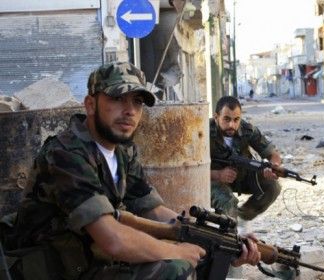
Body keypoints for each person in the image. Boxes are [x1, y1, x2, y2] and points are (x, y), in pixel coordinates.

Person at [9, 62, 260, 280]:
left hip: (89, 257)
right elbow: (113, 239)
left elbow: (154, 210)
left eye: (137, 102)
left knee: (198, 257)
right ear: (90, 104)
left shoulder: (122, 151)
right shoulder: (66, 154)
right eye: (117, 98)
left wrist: (219, 241)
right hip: (53, 268)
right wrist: (176, 250)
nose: (129, 111)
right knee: (176, 268)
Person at [210, 96, 282, 222]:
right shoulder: (203, 132)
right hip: (212, 180)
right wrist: (218, 174)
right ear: (216, 117)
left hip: (240, 177)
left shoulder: (247, 130)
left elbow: (273, 154)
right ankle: (232, 231)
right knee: (227, 202)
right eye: (226, 119)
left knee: (273, 187)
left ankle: (241, 220)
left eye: (236, 119)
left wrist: (272, 167)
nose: (232, 125)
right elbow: (189, 169)